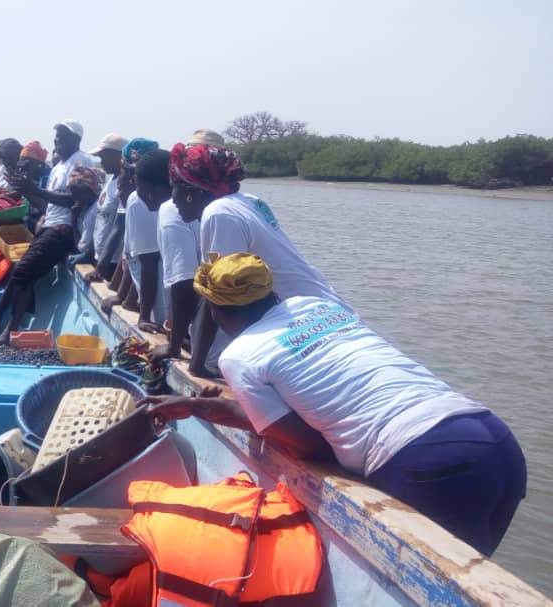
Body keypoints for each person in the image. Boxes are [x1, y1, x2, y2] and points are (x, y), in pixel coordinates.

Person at [144, 253, 527, 556]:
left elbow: (306, 444)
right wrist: (198, 407)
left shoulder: (239, 355)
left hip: (429, 461)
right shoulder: (317, 307)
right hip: (494, 441)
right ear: (268, 291)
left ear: (216, 310)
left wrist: (213, 409)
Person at [171, 142, 348, 377]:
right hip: (328, 313)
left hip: (307, 328)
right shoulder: (248, 201)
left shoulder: (219, 213)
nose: (172, 199)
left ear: (192, 193)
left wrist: (196, 365)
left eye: (174, 188)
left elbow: (219, 293)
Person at [0, 160, 100, 344]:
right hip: (50, 228)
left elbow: (83, 243)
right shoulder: (79, 203)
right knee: (18, 271)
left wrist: (67, 217)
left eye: (78, 195)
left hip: (60, 232)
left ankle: (9, 331)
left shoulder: (91, 206)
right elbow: (52, 206)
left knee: (23, 273)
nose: (74, 198)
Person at [149, 129, 227, 365]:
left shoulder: (174, 208)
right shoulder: (232, 204)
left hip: (212, 348)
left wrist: (174, 346)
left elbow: (183, 285)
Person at [102, 138, 157, 312]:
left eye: (123, 174)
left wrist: (126, 299)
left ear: (132, 178)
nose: (119, 186)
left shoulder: (139, 202)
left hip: (150, 299)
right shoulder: (133, 200)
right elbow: (127, 254)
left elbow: (148, 262)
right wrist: (114, 288)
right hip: (144, 293)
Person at [124, 149, 171, 332]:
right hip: (161, 304)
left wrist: (143, 316)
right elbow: (132, 257)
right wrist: (127, 299)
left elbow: (149, 262)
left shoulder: (169, 212)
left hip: (164, 305)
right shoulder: (140, 200)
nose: (143, 197)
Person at [81, 134, 127, 280]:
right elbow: (101, 222)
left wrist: (101, 266)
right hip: (100, 257)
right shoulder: (110, 181)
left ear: (118, 156)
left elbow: (119, 228)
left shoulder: (124, 186)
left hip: (112, 263)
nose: (101, 162)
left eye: (104, 157)